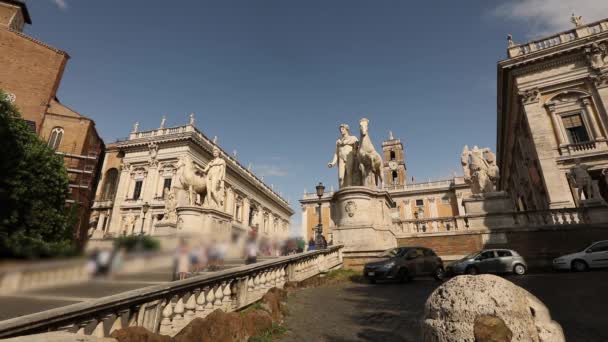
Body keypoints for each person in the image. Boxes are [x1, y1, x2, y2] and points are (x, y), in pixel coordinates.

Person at [328, 124, 360, 188]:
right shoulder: (338, 141)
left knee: (349, 174)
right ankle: (341, 190)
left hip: (349, 157)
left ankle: (349, 189)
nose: (341, 131)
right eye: (340, 130)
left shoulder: (353, 138)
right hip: (341, 158)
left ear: (347, 129)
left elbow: (358, 148)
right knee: (340, 177)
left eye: (342, 129)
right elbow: (336, 153)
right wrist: (333, 163)